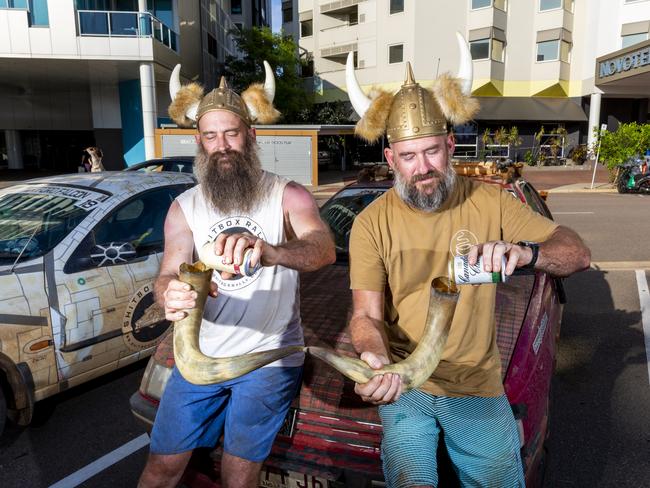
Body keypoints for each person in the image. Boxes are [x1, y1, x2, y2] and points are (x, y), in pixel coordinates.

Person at [343, 35, 591, 488]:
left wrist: (525, 254)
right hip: (407, 383)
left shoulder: (490, 203)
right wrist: (374, 358)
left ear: (451, 145)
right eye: (408, 156)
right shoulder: (369, 224)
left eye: (431, 151)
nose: (422, 168)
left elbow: (576, 252)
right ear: (390, 159)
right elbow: (365, 315)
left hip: (475, 386)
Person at [138, 64, 335, 488]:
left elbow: (322, 249)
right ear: (198, 143)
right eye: (211, 136)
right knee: (162, 468)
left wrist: (272, 252)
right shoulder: (184, 207)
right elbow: (169, 271)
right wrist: (168, 293)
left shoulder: (288, 194)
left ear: (251, 136)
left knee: (238, 475)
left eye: (231, 133)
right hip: (199, 357)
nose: (222, 145)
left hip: (268, 356)